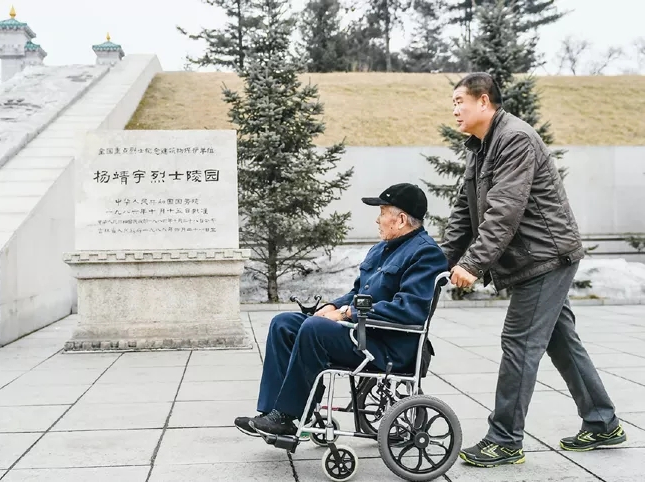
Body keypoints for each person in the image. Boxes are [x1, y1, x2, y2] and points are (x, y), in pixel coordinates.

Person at [441, 72, 625, 467]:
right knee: (562, 341)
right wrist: (438, 263)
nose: (454, 110)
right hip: (535, 256)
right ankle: (602, 422)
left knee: (519, 342)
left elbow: (504, 210)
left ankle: (505, 439)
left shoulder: (515, 138)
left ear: (484, 101)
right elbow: (463, 212)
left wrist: (472, 263)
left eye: (459, 101)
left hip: (545, 257)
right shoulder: (481, 146)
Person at [234, 183, 448, 437]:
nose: (377, 220)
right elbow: (358, 292)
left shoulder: (426, 254)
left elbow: (408, 309)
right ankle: (275, 413)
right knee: (284, 324)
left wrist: (347, 314)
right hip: (364, 334)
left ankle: (287, 414)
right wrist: (332, 306)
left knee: (315, 328)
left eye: (382, 213)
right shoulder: (381, 248)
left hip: (391, 346)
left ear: (401, 219)